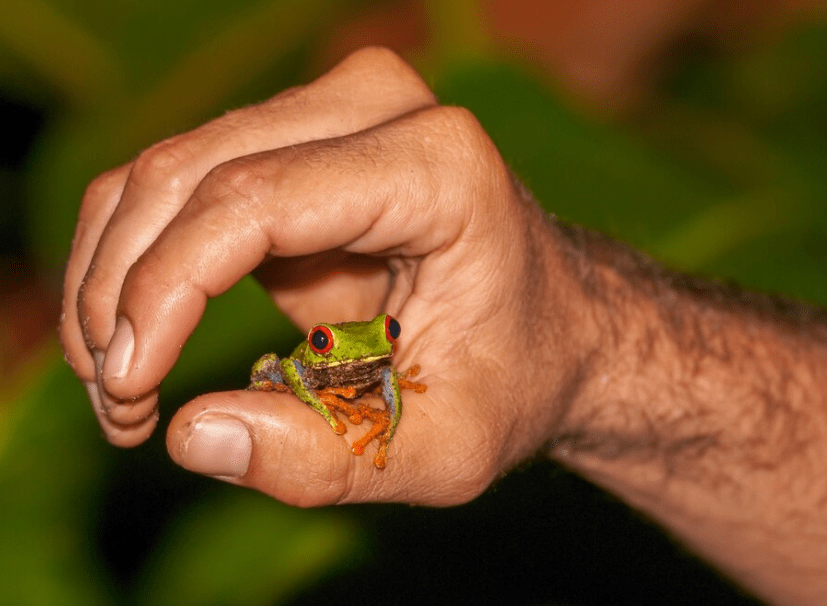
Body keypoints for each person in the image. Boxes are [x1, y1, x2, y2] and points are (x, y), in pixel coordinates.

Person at [59, 47, 827, 605]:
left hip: (359, 381)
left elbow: (384, 385)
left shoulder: (381, 364)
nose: (375, 348)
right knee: (274, 369)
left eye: (388, 335)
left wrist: (589, 342)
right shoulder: (313, 358)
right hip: (304, 379)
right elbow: (288, 369)